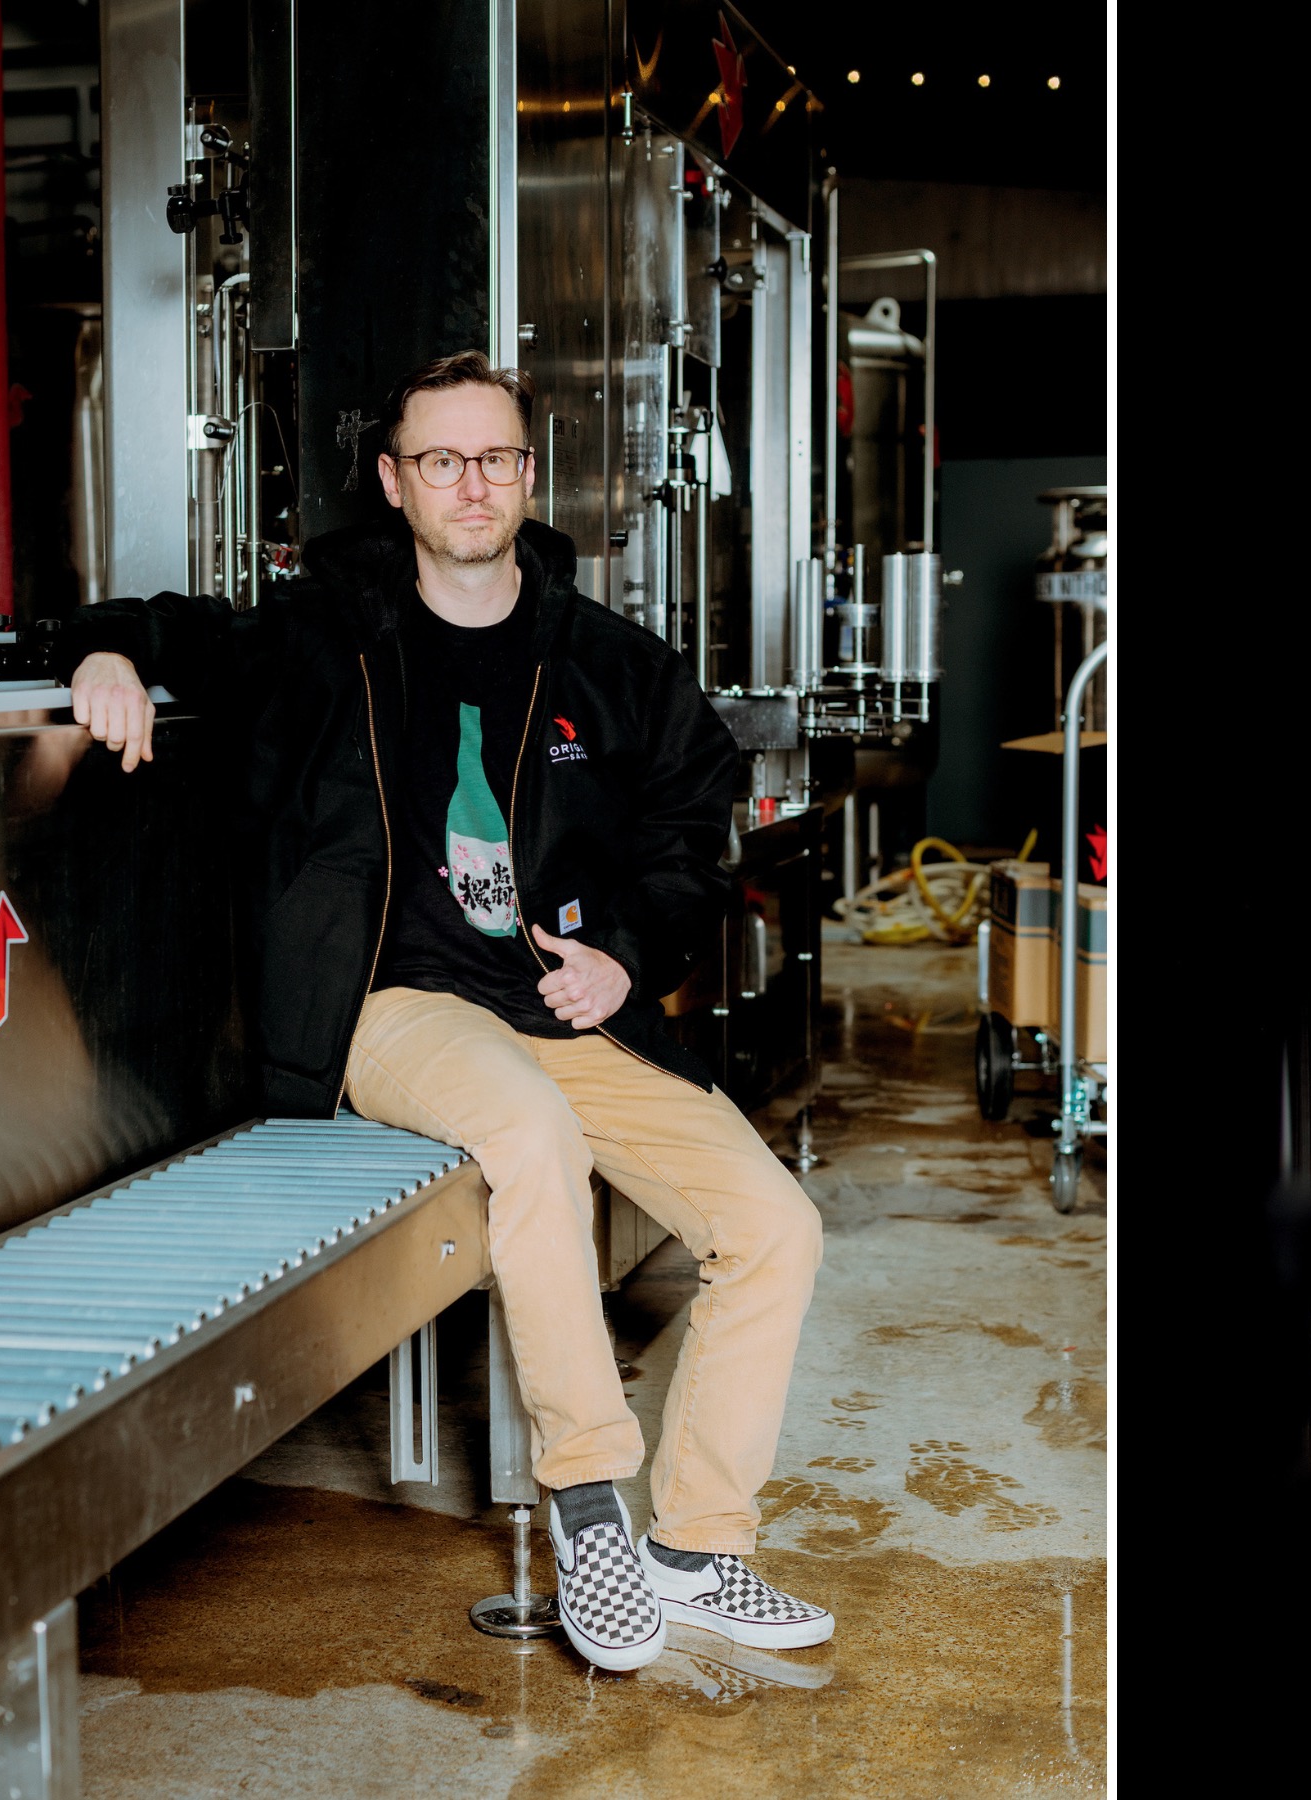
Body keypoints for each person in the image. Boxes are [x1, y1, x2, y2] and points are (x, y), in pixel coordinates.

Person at [59, 351, 832, 1670]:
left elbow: (693, 823)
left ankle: (699, 1551)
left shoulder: (606, 661)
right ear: (394, 480)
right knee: (529, 1134)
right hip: (395, 1006)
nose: (470, 485)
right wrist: (104, 655)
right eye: (440, 461)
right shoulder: (327, 633)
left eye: (495, 459)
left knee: (776, 1225)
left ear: (530, 477)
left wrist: (628, 958)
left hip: (561, 1007)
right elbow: (169, 628)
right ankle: (590, 1508)